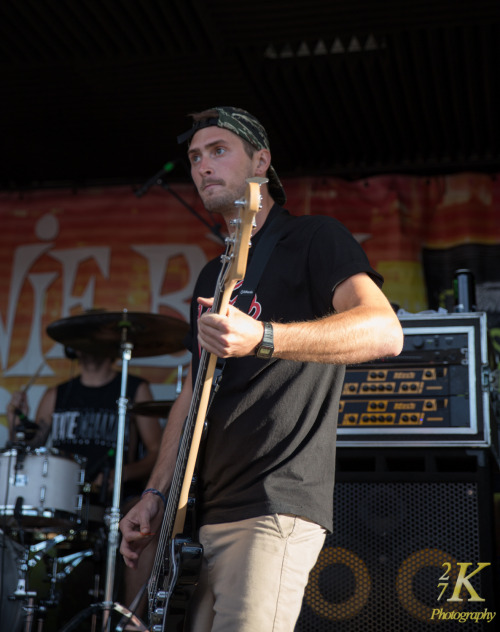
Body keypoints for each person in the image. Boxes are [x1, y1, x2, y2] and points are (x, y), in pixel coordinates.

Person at [119, 106, 404, 632]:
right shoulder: (215, 271)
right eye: (195, 157)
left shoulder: (316, 238)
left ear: (260, 162)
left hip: (272, 504)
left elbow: (385, 332)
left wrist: (264, 337)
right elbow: (192, 392)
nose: (203, 165)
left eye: (219, 150)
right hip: (199, 514)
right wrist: (157, 494)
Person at [7, 347, 163, 617]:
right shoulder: (56, 394)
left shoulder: (135, 388)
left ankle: (130, 618)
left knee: (150, 525)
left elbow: (157, 451)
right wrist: (15, 423)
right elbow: (31, 448)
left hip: (119, 500)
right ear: (73, 348)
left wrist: (123, 472)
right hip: (66, 503)